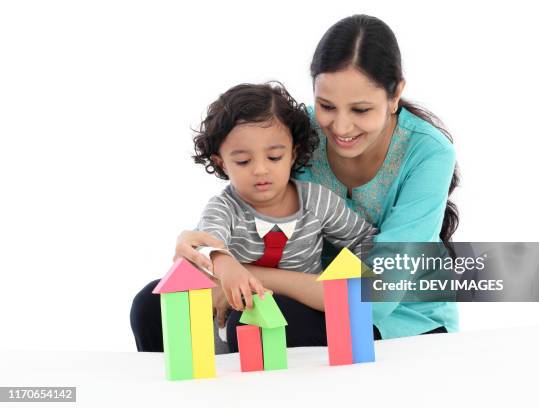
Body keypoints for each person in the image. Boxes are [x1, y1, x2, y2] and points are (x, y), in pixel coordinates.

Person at [131, 14, 459, 351]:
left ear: (395, 95)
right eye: (326, 105)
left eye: (361, 109)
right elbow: (241, 205)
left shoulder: (429, 152)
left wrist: (244, 274)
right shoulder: (295, 132)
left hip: (395, 312)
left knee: (264, 322)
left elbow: (375, 295)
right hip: (297, 295)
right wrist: (207, 253)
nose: (341, 127)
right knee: (152, 306)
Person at [132, 82, 378, 353]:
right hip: (232, 315)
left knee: (250, 319)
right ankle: (171, 372)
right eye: (243, 162)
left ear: (293, 153)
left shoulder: (316, 201)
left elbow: (365, 239)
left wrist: (347, 284)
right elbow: (203, 244)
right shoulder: (224, 207)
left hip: (297, 312)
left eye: (274, 157)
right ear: (221, 162)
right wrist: (223, 262)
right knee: (149, 302)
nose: (261, 170)